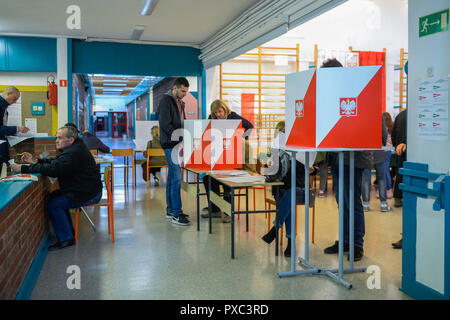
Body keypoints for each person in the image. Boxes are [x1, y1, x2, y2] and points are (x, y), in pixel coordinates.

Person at [10, 126, 103, 251]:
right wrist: (36, 161)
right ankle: (68, 232)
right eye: (56, 137)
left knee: (55, 204)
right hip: (82, 189)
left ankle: (66, 239)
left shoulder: (73, 153)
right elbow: (56, 162)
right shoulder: (74, 148)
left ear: (70, 140)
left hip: (88, 193)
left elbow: (54, 169)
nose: (56, 140)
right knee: (54, 197)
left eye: (60, 138)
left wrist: (23, 168)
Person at [321, 58, 371, 261]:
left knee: (352, 202)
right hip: (337, 157)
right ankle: (345, 241)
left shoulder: (358, 90)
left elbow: (367, 126)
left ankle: (357, 244)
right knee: (342, 202)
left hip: (354, 158)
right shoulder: (334, 95)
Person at [261, 121, 317, 257]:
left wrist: (312, 169)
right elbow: (269, 171)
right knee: (288, 200)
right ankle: (290, 243)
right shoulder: (276, 151)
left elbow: (317, 168)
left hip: (301, 189)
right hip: (280, 189)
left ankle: (275, 229)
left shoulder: (302, 146)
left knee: (290, 195)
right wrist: (269, 165)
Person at [200, 99, 254, 223]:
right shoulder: (211, 118)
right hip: (218, 155)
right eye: (216, 113)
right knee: (207, 179)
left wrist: (240, 138)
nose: (218, 114)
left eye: (220, 111)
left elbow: (249, 126)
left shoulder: (232, 116)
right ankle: (215, 209)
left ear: (225, 109)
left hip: (233, 155)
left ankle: (228, 211)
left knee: (226, 182)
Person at [158, 77, 190, 226]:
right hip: (170, 144)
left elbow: (183, 122)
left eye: (186, 91)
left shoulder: (180, 103)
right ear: (175, 88)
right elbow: (165, 124)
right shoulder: (166, 101)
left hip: (178, 144)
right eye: (183, 91)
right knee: (176, 178)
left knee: (172, 178)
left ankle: (171, 210)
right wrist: (180, 136)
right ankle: (177, 213)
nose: (185, 94)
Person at [361, 115, 391, 212]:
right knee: (381, 178)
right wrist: (381, 143)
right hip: (378, 150)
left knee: (365, 179)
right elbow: (384, 133)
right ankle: (383, 204)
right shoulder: (378, 115)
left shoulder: (363, 114)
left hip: (365, 150)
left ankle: (365, 205)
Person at [0, 87, 30, 164]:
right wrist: (17, 129)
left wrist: (15, 131)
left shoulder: (4, 107)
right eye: (14, 98)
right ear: (8, 94)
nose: (15, 102)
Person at [391, 109, 407, 249]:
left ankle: (406, 236)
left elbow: (394, 137)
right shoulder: (419, 116)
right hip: (414, 164)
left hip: (402, 162)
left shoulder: (401, 115)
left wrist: (398, 146)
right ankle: (408, 236)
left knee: (407, 206)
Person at [382, 112, 394, 199]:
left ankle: (388, 189)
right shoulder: (391, 127)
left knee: (385, 171)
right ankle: (387, 189)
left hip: (384, 151)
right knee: (386, 170)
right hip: (390, 151)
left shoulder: (383, 128)